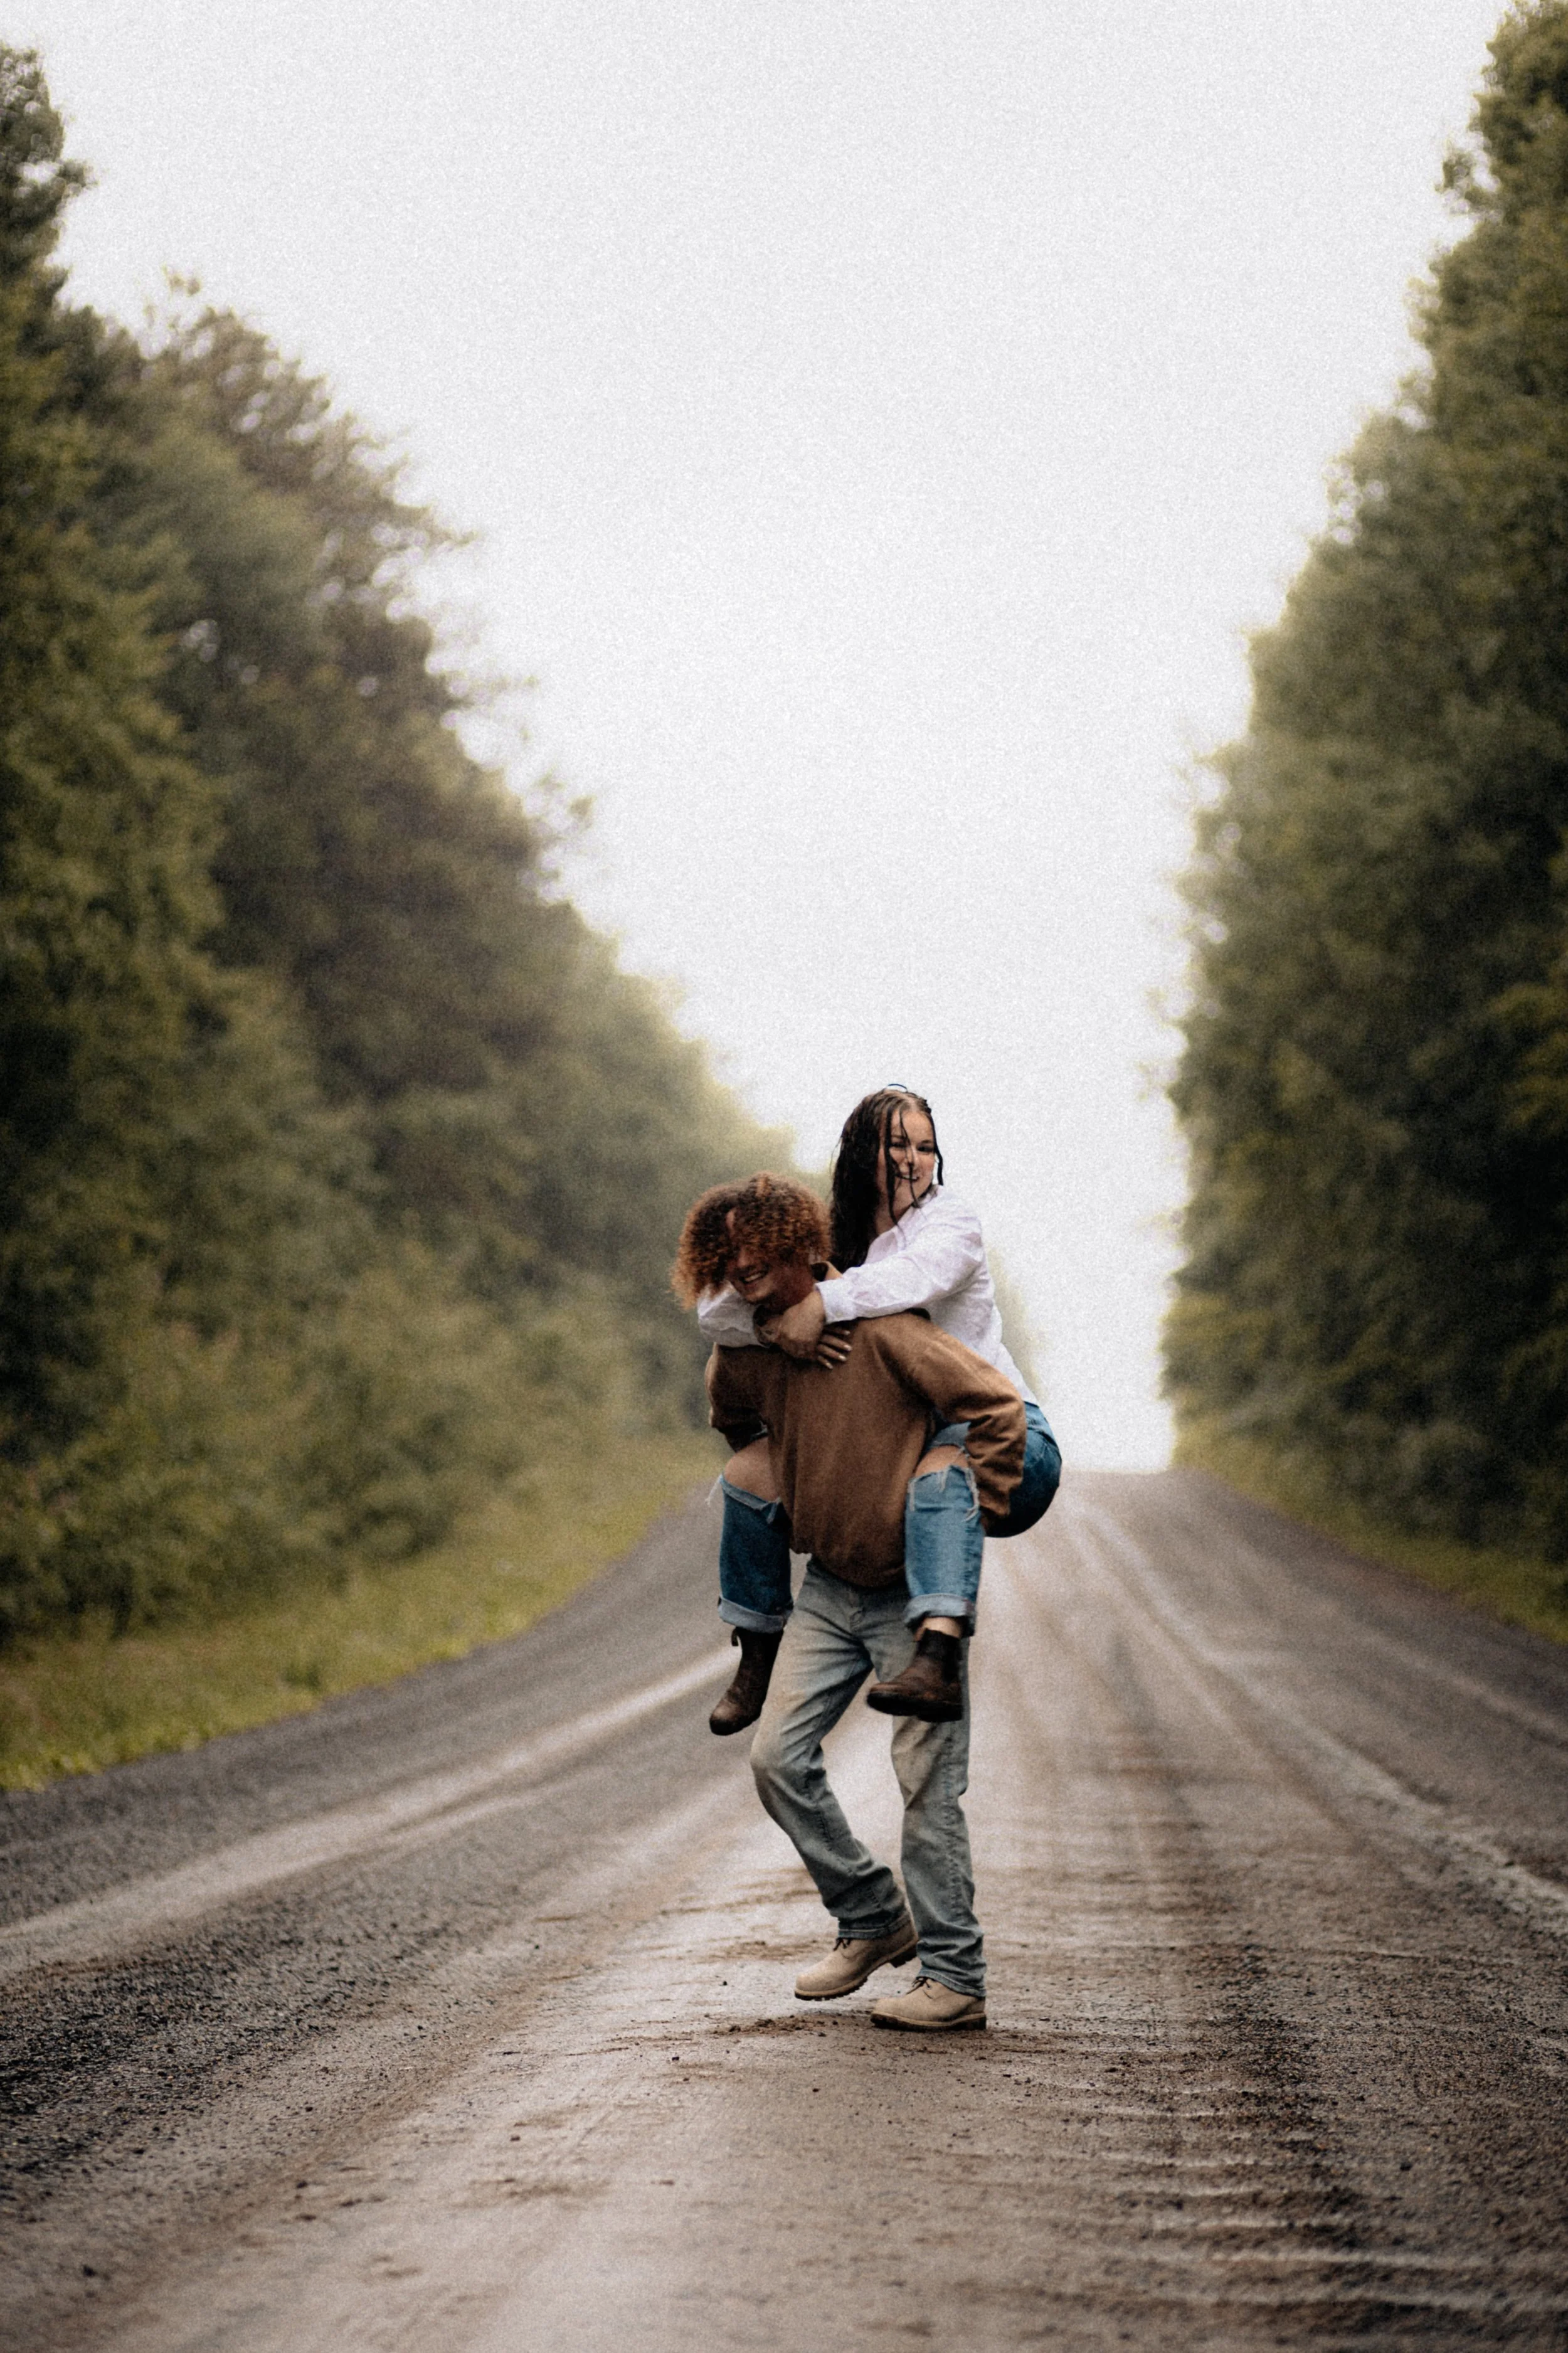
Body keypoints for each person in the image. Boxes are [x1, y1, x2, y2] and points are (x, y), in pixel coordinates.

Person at [673, 1172, 1026, 2030]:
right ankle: (872, 1914)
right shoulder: (749, 1347)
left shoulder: (889, 1330)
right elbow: (733, 1423)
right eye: (730, 1252)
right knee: (776, 1759)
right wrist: (785, 1446)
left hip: (912, 1593)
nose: (743, 1262)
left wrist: (973, 1504)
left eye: (758, 1244)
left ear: (800, 1241)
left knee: (926, 1785)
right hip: (829, 1589)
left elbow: (997, 1405)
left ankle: (956, 1977)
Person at [693, 1088, 1060, 1732]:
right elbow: (715, 1310)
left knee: (943, 1473)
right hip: (900, 1440)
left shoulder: (951, 1223)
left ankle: (936, 1660)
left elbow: (911, 1281)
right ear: (863, 1151)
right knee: (751, 1472)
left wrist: (822, 1304)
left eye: (925, 1147)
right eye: (898, 1144)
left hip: (1002, 1432)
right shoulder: (836, 1235)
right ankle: (757, 1649)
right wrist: (775, 1325)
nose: (914, 1160)